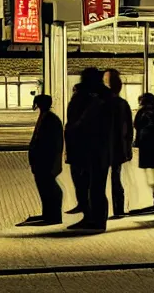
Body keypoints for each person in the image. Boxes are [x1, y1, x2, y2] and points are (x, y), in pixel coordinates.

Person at [68, 68, 112, 233]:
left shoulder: (92, 97)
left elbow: (81, 122)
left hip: (89, 147)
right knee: (93, 186)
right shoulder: (103, 96)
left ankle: (95, 220)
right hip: (95, 147)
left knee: (91, 186)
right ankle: (93, 218)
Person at [19, 95, 64, 226]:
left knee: (49, 186)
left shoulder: (50, 120)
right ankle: (49, 213)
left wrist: (55, 161)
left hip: (46, 161)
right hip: (42, 161)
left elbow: (54, 143)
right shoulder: (47, 118)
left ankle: (53, 215)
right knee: (45, 187)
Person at [64, 71, 98, 217]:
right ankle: (84, 205)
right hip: (79, 145)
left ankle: (87, 209)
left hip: (80, 146)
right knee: (82, 178)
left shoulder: (85, 100)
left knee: (82, 178)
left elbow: (78, 123)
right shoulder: (88, 99)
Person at [104, 69, 133, 218]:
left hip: (104, 147)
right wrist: (128, 147)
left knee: (100, 181)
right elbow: (128, 128)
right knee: (116, 178)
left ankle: (101, 211)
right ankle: (118, 209)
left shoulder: (103, 103)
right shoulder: (123, 104)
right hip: (118, 147)